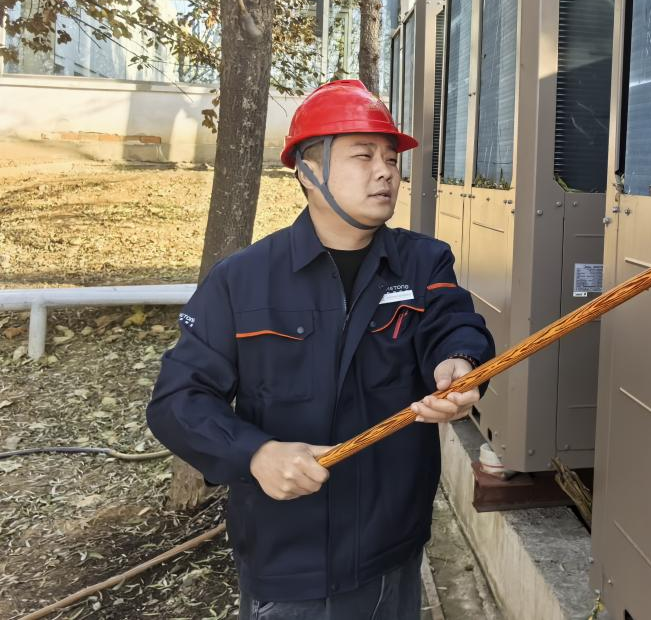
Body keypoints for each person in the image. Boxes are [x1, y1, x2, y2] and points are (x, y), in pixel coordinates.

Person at [148, 79, 495, 619]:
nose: (386, 171)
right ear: (308, 173)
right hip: (287, 561)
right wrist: (256, 454)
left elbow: (454, 324)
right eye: (363, 156)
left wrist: (461, 363)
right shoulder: (242, 281)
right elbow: (178, 400)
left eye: (391, 159)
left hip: (392, 550)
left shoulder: (423, 262)